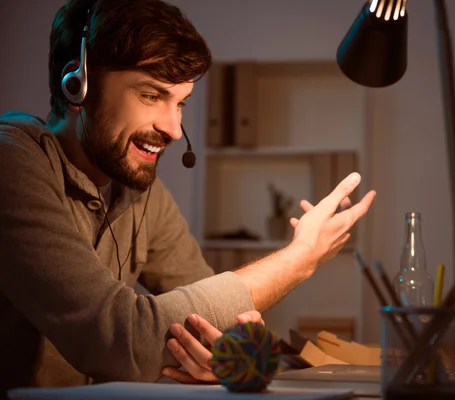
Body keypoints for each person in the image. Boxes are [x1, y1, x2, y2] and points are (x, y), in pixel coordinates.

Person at [0, 0, 376, 392]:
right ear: (77, 85)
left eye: (180, 103)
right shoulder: (10, 163)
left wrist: (224, 354)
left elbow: (218, 330)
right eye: (150, 96)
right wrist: (300, 258)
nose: (174, 129)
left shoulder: (142, 194)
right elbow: (120, 338)